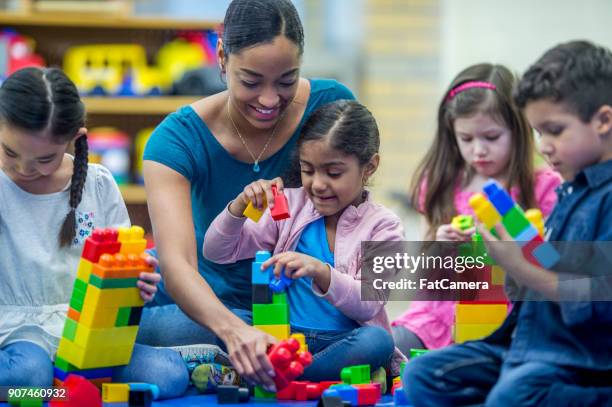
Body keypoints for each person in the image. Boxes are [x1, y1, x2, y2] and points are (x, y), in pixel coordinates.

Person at [141, 0, 355, 390]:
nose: (270, 100)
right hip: (210, 308)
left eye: (287, 81)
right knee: (167, 328)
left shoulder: (331, 107)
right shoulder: (176, 140)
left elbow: (357, 221)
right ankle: (244, 353)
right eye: (252, 82)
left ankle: (238, 360)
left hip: (303, 309)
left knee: (375, 340)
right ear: (222, 57)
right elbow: (178, 265)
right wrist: (235, 331)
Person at [403, 40, 612, 406]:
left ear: (604, 121)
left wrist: (520, 266)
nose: (544, 146)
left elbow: (595, 296)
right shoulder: (570, 192)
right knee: (424, 374)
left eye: (555, 131)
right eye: (539, 133)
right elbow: (547, 266)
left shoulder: (599, 197)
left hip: (577, 357)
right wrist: (509, 265)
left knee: (513, 395)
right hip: (522, 343)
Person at [0, 67, 188, 398]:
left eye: (44, 158)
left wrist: (136, 281)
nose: (24, 169)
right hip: (17, 331)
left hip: (90, 331)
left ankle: (56, 390)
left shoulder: (97, 183)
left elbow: (123, 260)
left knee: (169, 374)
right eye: (10, 152)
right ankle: (57, 389)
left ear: (75, 138)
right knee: (28, 375)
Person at [203, 99, 402, 381]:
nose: (318, 184)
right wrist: (238, 208)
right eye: (308, 170)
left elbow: (369, 303)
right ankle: (287, 369)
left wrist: (320, 270)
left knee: (378, 342)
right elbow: (216, 252)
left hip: (342, 341)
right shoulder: (290, 206)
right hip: (282, 336)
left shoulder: (384, 226)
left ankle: (278, 373)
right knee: (233, 321)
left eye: (333, 173)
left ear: (369, 167)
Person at [391, 63, 561, 355]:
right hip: (436, 317)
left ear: (518, 129)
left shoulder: (543, 188)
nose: (478, 150)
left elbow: (550, 262)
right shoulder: (442, 183)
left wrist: (525, 244)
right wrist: (439, 245)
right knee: (388, 348)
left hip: (507, 319)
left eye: (491, 137)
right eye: (466, 139)